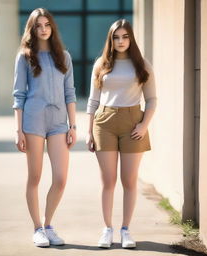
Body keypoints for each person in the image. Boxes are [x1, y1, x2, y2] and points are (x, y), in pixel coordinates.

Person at [86, 19, 157, 248]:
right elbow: (93, 100)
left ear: (131, 38)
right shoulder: (102, 64)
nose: (120, 41)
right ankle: (107, 229)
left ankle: (126, 230)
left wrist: (144, 124)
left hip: (133, 123)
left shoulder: (141, 64)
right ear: (111, 39)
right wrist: (89, 131)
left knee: (129, 180)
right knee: (108, 181)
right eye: (116, 37)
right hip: (104, 122)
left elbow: (152, 99)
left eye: (125, 36)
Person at [12, 8, 76, 247]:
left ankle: (49, 225)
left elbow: (70, 92)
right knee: (35, 176)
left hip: (59, 122)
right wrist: (18, 130)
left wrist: (73, 125)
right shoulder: (25, 56)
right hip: (33, 121)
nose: (43, 29)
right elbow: (18, 95)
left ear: (52, 27)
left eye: (47, 24)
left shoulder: (64, 57)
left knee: (60, 178)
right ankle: (37, 228)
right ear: (32, 29)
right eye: (38, 25)